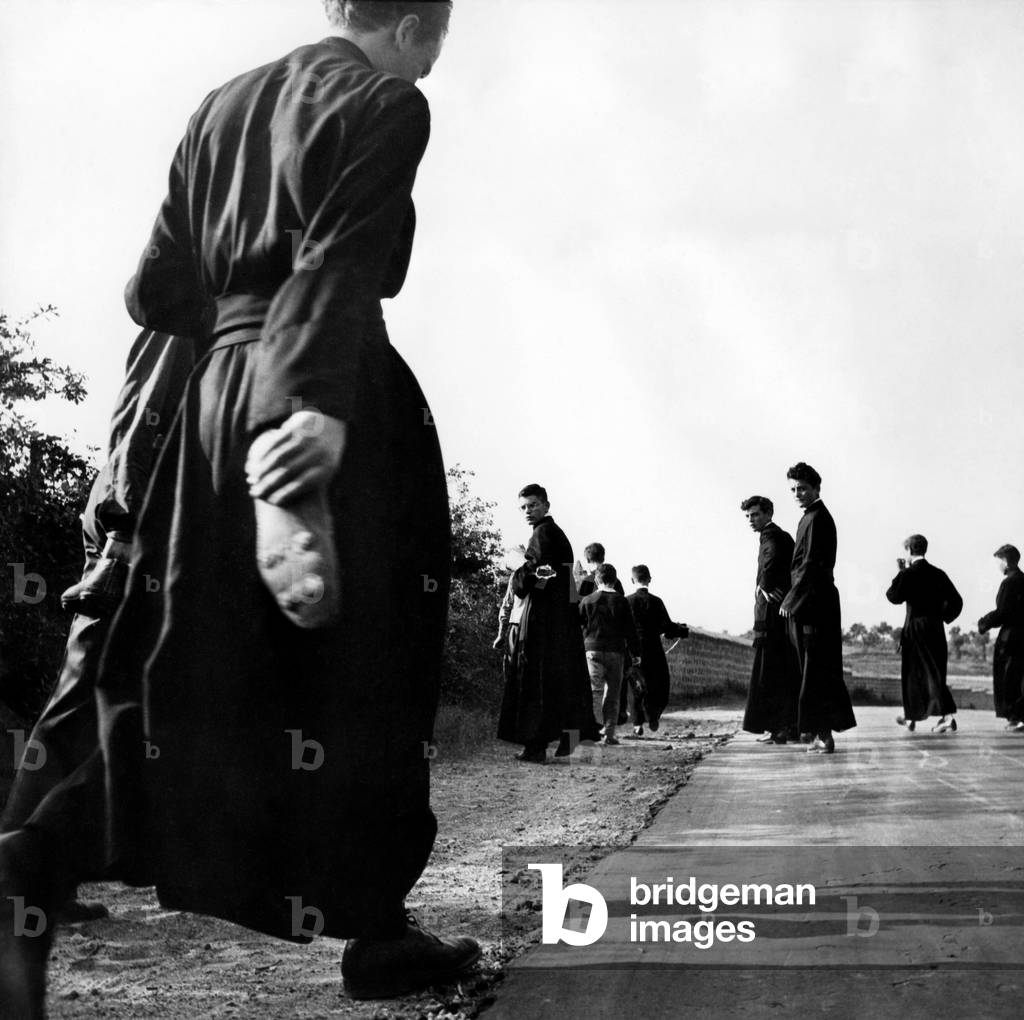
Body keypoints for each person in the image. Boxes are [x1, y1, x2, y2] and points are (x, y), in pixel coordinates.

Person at [2, 3, 481, 1011]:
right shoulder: (387, 103)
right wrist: (308, 418)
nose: (433, 63)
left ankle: (32, 858)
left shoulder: (219, 104)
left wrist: (235, 332)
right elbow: (338, 262)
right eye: (437, 43)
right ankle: (377, 929)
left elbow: (153, 290)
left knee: (187, 656)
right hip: (326, 392)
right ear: (418, 28)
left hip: (209, 400)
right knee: (367, 670)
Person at [0, 329, 194, 926]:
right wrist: (123, 532)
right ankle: (15, 872)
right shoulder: (188, 309)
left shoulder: (190, 307)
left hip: (140, 518)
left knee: (106, 700)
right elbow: (144, 420)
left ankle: (36, 869)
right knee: (82, 701)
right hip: (132, 525)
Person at [498, 485, 599, 762]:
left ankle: (535, 746)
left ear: (546, 505)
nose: (527, 511)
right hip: (558, 619)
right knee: (557, 679)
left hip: (543, 620)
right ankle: (561, 737)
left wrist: (518, 571)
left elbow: (539, 571)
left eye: (533, 505)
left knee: (535, 678)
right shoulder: (555, 533)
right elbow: (556, 575)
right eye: (523, 507)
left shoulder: (542, 533)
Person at [779, 463, 856, 754]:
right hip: (813, 600)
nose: (797, 494)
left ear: (816, 488)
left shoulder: (817, 519)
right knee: (813, 669)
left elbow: (810, 565)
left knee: (815, 669)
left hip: (815, 603)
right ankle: (819, 734)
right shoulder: (810, 517)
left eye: (802, 488)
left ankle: (824, 735)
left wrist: (791, 600)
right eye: (793, 489)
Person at [885, 534, 963, 733]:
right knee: (932, 672)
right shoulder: (939, 574)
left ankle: (946, 717)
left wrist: (901, 572)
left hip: (915, 630)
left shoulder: (908, 574)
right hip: (935, 629)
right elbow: (957, 601)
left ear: (909, 550)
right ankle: (911, 717)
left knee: (915, 674)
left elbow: (893, 596)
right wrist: (942, 617)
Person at [739, 496, 800, 744]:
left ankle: (779, 729)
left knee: (771, 672)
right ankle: (786, 727)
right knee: (780, 670)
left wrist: (763, 585)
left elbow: (772, 559)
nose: (750, 520)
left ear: (768, 513)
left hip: (772, 616)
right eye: (748, 516)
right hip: (778, 614)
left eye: (755, 514)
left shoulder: (772, 536)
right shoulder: (776, 536)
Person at [579, 564, 641, 745]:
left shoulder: (587, 600)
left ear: (596, 579)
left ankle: (592, 730)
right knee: (613, 694)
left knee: (595, 691)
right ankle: (609, 734)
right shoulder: (622, 601)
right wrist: (636, 653)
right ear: (615, 580)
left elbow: (578, 626)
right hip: (616, 652)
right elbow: (630, 630)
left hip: (592, 650)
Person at [626, 565, 688, 736]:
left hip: (633, 650)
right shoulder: (656, 601)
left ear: (632, 580)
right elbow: (667, 627)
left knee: (634, 685)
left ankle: (637, 723)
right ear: (650, 579)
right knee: (659, 683)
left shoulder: (627, 601)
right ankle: (653, 716)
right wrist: (681, 631)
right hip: (654, 649)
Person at [978, 544, 1024, 730]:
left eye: (998, 561)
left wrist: (983, 623)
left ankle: (1016, 717)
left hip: (1011, 637)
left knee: (1009, 677)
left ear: (1005, 561)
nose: (998, 566)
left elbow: (1003, 612)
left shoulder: (1009, 583)